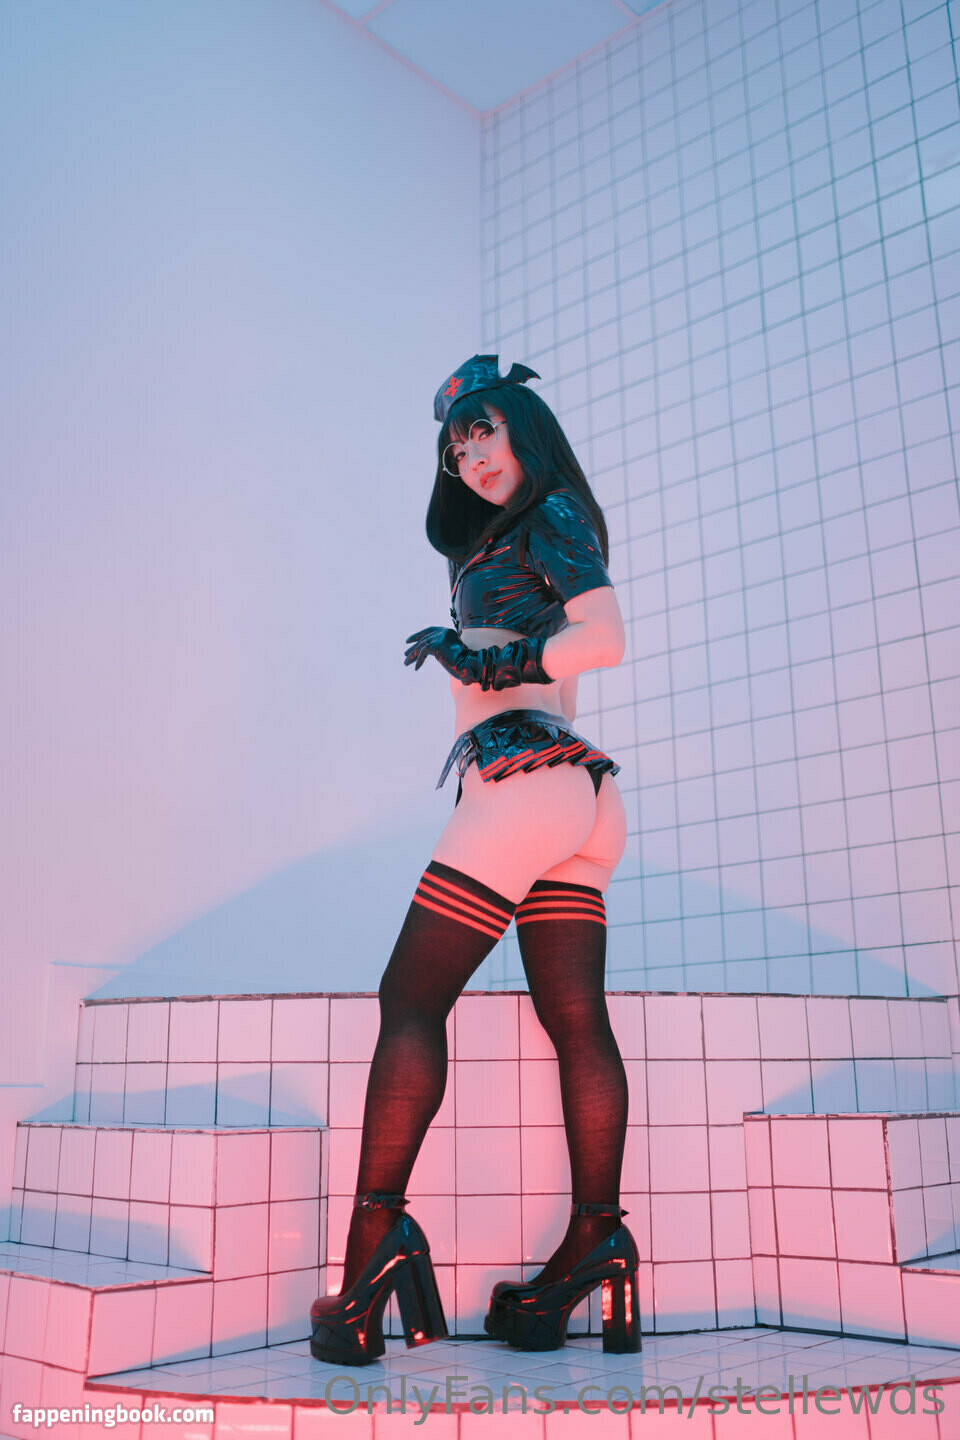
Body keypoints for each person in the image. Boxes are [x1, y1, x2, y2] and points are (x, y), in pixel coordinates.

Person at [310, 355, 640, 1365]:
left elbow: (605, 637)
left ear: (523, 430)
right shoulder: (510, 538)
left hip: (525, 782)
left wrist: (495, 659)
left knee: (409, 1001)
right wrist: (496, 659)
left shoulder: (551, 515)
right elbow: (564, 660)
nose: (470, 457)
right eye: (456, 448)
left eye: (484, 433)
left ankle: (374, 1251)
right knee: (576, 1021)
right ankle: (597, 1242)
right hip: (579, 796)